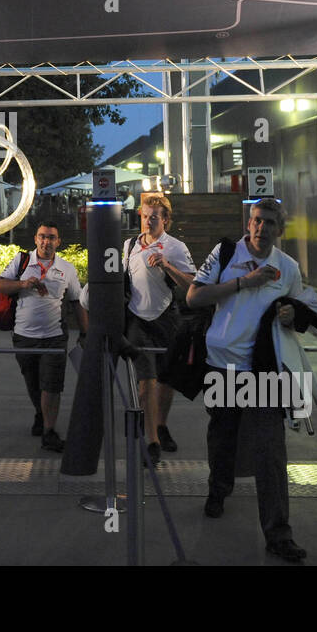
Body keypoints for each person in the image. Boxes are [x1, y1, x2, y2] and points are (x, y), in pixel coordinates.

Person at [186, 197, 308, 563]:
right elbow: (194, 297)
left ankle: (278, 534)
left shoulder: (288, 268)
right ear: (248, 222)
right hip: (222, 364)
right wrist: (245, 282)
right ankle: (218, 489)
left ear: (279, 229)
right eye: (256, 220)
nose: (261, 227)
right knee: (223, 436)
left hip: (266, 370)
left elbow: (304, 314)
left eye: (269, 222)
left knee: (270, 451)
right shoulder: (226, 253)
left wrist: (291, 315)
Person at [0, 221, 88, 452]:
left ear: (58, 242)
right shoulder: (22, 261)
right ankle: (40, 413)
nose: (46, 242)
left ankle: (49, 431)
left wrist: (86, 332)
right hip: (24, 335)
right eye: (42, 237)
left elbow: (76, 302)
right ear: (35, 239)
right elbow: (0, 285)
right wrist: (24, 283)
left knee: (52, 385)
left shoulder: (67, 268)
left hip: (54, 336)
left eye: (51, 238)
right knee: (33, 382)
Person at [122, 193, 195, 465]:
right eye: (144, 216)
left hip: (166, 318)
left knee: (166, 381)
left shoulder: (175, 247)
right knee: (146, 382)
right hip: (137, 320)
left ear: (165, 220)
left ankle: (161, 426)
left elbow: (192, 285)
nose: (148, 221)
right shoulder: (129, 245)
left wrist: (166, 264)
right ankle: (151, 440)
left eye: (154, 217)